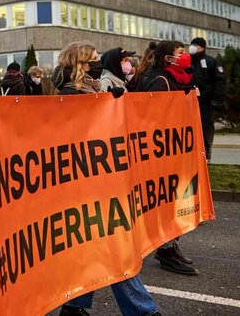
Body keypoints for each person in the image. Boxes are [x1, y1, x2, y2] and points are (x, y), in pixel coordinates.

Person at [48, 46, 160, 316]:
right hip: (86, 188)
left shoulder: (90, 91)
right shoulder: (70, 96)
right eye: (94, 60)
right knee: (113, 249)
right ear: (81, 64)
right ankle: (143, 311)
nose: (98, 64)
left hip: (96, 184)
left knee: (93, 248)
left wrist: (112, 104)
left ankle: (73, 308)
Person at [134, 40, 200, 276]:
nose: (186, 56)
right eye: (180, 53)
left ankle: (168, 246)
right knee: (167, 201)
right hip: (161, 154)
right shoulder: (158, 80)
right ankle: (165, 249)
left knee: (173, 201)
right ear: (167, 59)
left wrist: (188, 98)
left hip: (172, 151)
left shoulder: (173, 79)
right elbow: (153, 119)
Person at [188, 37, 225, 159]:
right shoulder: (187, 62)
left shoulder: (211, 62)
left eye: (196, 45)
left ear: (202, 47)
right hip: (189, 103)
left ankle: (206, 155)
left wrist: (216, 101)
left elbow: (220, 82)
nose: (193, 47)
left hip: (206, 104)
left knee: (206, 130)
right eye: (192, 44)